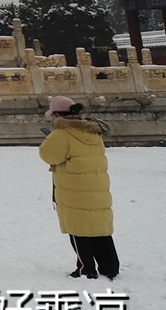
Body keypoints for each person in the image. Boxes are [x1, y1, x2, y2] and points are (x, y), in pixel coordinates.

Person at [40, 96, 119, 280]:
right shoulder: (94, 132)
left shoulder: (62, 133)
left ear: (58, 114)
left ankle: (86, 269)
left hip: (74, 191)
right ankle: (110, 267)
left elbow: (48, 155)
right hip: (98, 188)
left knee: (79, 229)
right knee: (99, 228)